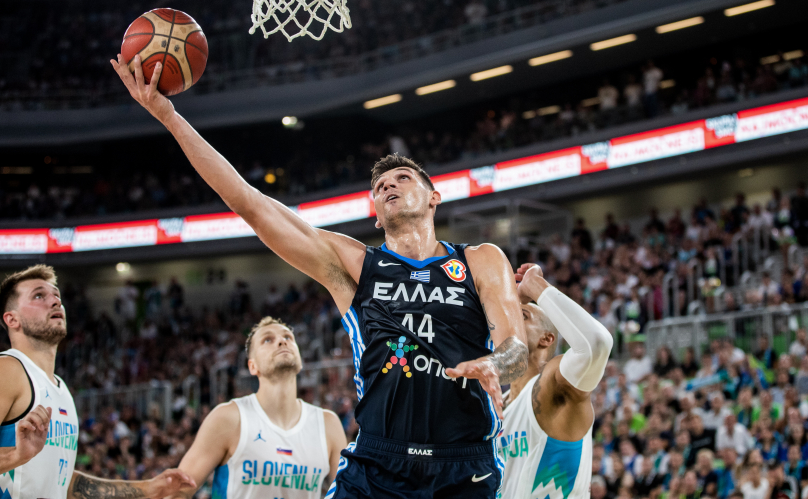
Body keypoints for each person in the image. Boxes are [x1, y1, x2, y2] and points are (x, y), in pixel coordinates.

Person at [111, 55, 528, 499]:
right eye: (380, 187)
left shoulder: (481, 260)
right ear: (376, 216)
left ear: (433, 198)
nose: (389, 185)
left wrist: (494, 364)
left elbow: (516, 351)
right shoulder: (355, 265)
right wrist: (168, 116)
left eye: (403, 178)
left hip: (464, 464)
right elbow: (249, 203)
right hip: (378, 464)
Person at [0, 264, 194, 499]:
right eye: (39, 296)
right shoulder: (6, 369)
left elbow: (65, 483)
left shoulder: (61, 390)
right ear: (12, 319)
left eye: (56, 296)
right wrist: (15, 456)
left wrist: (148, 489)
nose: (55, 301)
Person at [165, 317, 347, 498]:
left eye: (288, 337)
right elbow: (176, 493)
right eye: (268, 339)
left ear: (300, 361)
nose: (282, 341)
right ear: (253, 366)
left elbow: (347, 494)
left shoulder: (328, 425)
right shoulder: (228, 418)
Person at [498, 263, 613, 498]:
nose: (509, 321)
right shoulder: (493, 407)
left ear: (546, 338)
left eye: (522, 315)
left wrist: (534, 285)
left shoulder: (552, 386)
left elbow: (596, 344)